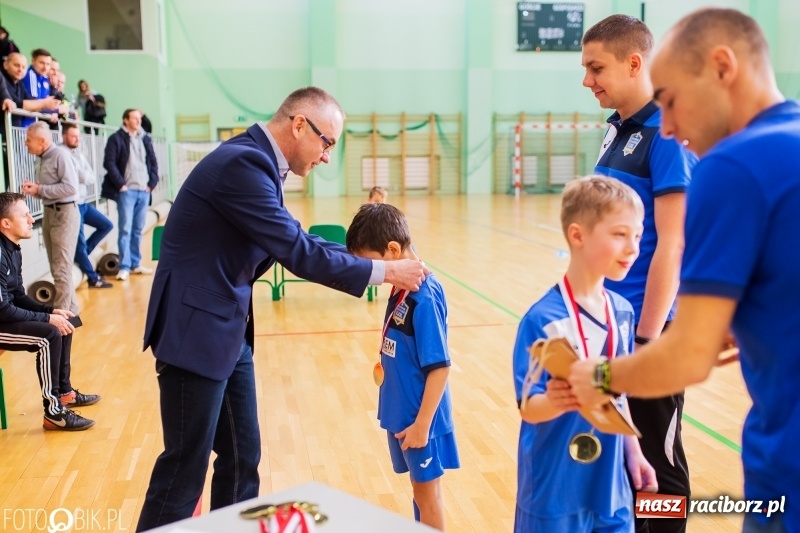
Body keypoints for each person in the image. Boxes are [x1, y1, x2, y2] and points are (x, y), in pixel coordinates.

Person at [136, 86, 429, 531]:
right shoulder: (244, 165)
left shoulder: (259, 163)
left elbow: (296, 238)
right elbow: (295, 250)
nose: (327, 156)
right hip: (194, 330)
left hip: (225, 331)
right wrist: (386, 274)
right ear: (298, 124)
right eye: (327, 142)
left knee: (241, 456)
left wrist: (370, 261)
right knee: (184, 468)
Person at [568, 8, 799, 533]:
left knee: (660, 477)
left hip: (787, 466)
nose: (667, 125)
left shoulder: (734, 163)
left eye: (669, 98)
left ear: (722, 67)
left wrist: (600, 375)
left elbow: (689, 355)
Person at [581, 16, 697, 532]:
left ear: (634, 63)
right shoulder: (616, 131)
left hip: (651, 335)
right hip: (612, 325)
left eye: (596, 68)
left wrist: (648, 340)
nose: (588, 80)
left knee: (661, 469)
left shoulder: (668, 135)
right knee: (626, 457)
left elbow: (673, 242)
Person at [512, 176, 656, 532]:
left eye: (637, 236)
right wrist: (562, 400)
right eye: (620, 235)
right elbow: (528, 406)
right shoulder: (543, 320)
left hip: (611, 487)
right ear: (577, 236)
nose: (633, 248)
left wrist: (633, 452)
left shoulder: (622, 310)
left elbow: (617, 394)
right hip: (554, 490)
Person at [346, 203, 459, 531]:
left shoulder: (423, 296)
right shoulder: (401, 287)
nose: (369, 270)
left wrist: (423, 425)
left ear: (393, 250)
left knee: (428, 496)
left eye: (371, 261)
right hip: (402, 413)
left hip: (421, 421)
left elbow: (440, 367)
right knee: (418, 492)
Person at [0, 192, 100, 431]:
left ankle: (64, 393)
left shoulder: (13, 248)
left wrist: (51, 310)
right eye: (24, 215)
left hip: (3, 318)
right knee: (49, 335)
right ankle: (54, 412)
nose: (30, 219)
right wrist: (46, 318)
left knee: (65, 322)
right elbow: (2, 307)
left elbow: (18, 295)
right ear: (5, 223)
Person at [21, 122, 80, 315]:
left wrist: (41, 190)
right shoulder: (40, 158)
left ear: (42, 141)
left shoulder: (61, 155)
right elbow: (49, 190)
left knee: (61, 269)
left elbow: (71, 189)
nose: (25, 144)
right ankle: (72, 314)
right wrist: (36, 191)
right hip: (49, 213)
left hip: (64, 215)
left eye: (28, 140)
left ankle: (62, 318)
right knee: (57, 268)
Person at [101, 109, 158, 281]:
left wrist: (152, 184)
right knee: (125, 229)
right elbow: (109, 163)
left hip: (144, 190)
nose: (138, 121)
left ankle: (136, 263)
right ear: (126, 120)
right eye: (134, 118)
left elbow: (153, 161)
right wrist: (121, 185)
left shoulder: (145, 138)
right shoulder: (116, 138)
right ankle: (124, 266)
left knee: (138, 229)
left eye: (139, 118)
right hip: (127, 191)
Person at [62, 123, 114, 289]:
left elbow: (91, 177)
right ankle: (93, 279)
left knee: (106, 225)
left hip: (84, 203)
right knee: (80, 244)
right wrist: (81, 176)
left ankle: (81, 256)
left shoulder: (79, 154)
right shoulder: (62, 154)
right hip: (73, 205)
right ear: (64, 136)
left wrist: (81, 175)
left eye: (78, 136)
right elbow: (73, 179)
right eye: (73, 136)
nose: (77, 139)